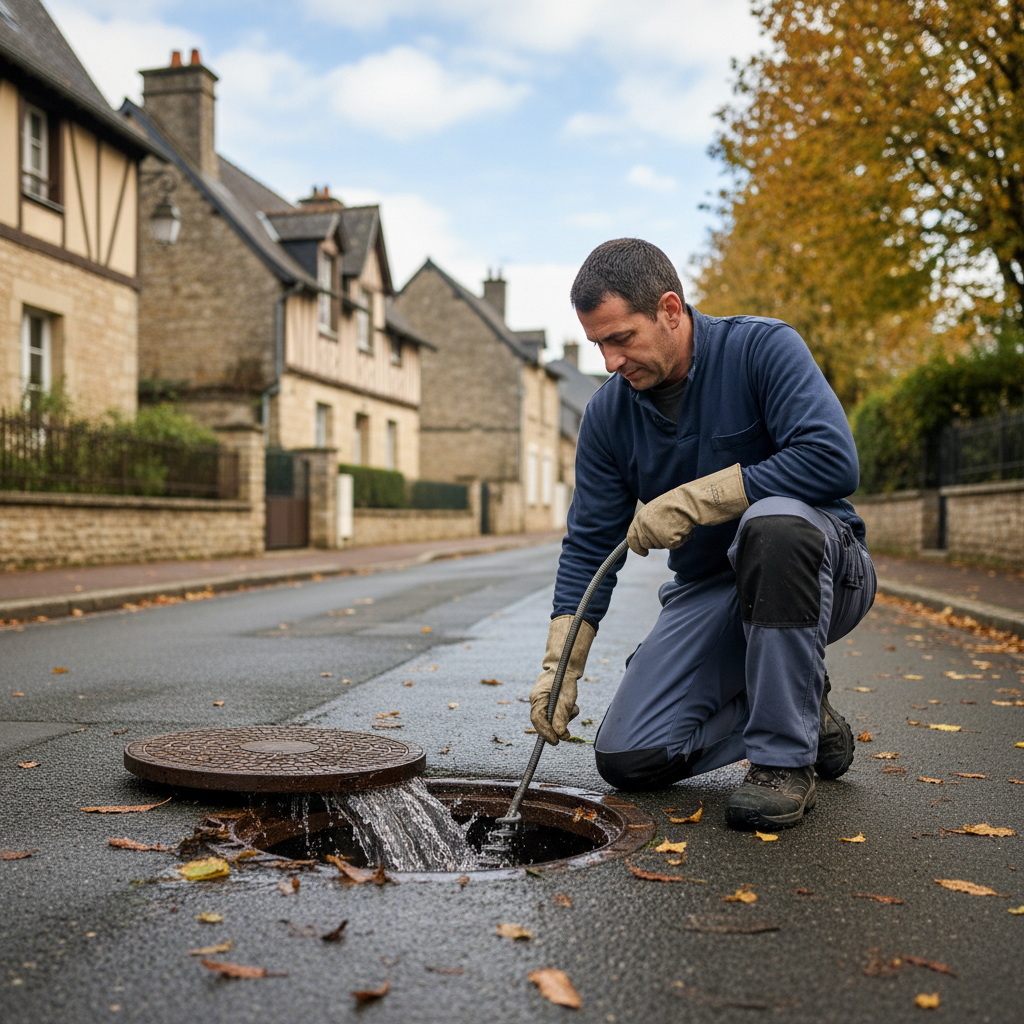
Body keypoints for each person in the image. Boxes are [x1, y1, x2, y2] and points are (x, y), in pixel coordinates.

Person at [530, 238, 876, 830]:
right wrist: (561, 664)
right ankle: (801, 707)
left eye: (622, 338)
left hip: (818, 566)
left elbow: (832, 459)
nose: (610, 361)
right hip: (713, 589)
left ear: (670, 309)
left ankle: (782, 763)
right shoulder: (608, 415)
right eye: (598, 344)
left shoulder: (762, 348)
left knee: (773, 527)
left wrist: (697, 499)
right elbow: (591, 543)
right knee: (629, 756)